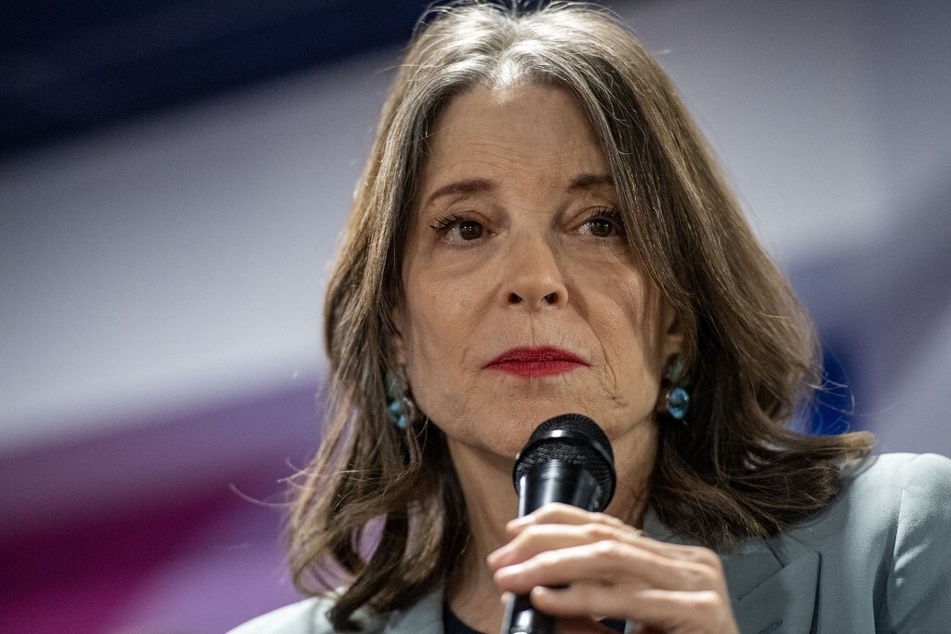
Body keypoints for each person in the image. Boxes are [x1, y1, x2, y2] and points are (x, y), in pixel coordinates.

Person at [231, 2, 951, 632]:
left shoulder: (895, 541)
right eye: (467, 228)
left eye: (600, 222)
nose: (534, 281)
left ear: (677, 313)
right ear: (393, 325)